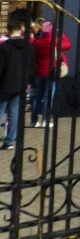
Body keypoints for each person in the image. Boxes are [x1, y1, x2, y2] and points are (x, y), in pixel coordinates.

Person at [0, 10, 35, 150]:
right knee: (14, 113)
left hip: (4, 83)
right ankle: (9, 141)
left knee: (0, 110)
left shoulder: (5, 47)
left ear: (8, 30)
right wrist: (29, 81)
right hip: (21, 84)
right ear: (21, 29)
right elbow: (32, 66)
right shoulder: (30, 46)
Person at [30, 20, 71, 128]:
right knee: (48, 96)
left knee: (36, 96)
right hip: (51, 72)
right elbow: (68, 44)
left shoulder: (36, 42)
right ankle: (45, 119)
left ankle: (34, 120)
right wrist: (61, 33)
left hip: (38, 72)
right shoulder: (56, 42)